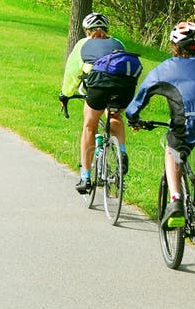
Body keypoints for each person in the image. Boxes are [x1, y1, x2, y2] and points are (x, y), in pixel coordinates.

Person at [125, 21, 195, 227]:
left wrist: (133, 117)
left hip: (186, 126)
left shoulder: (166, 68)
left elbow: (142, 95)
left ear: (175, 46)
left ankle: (175, 200)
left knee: (172, 150)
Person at [59, 12, 137, 194]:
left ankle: (85, 178)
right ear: (106, 30)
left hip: (99, 88)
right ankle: (122, 152)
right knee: (114, 116)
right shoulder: (118, 43)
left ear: (87, 31)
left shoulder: (82, 45)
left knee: (89, 126)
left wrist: (65, 94)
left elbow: (72, 74)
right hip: (124, 87)